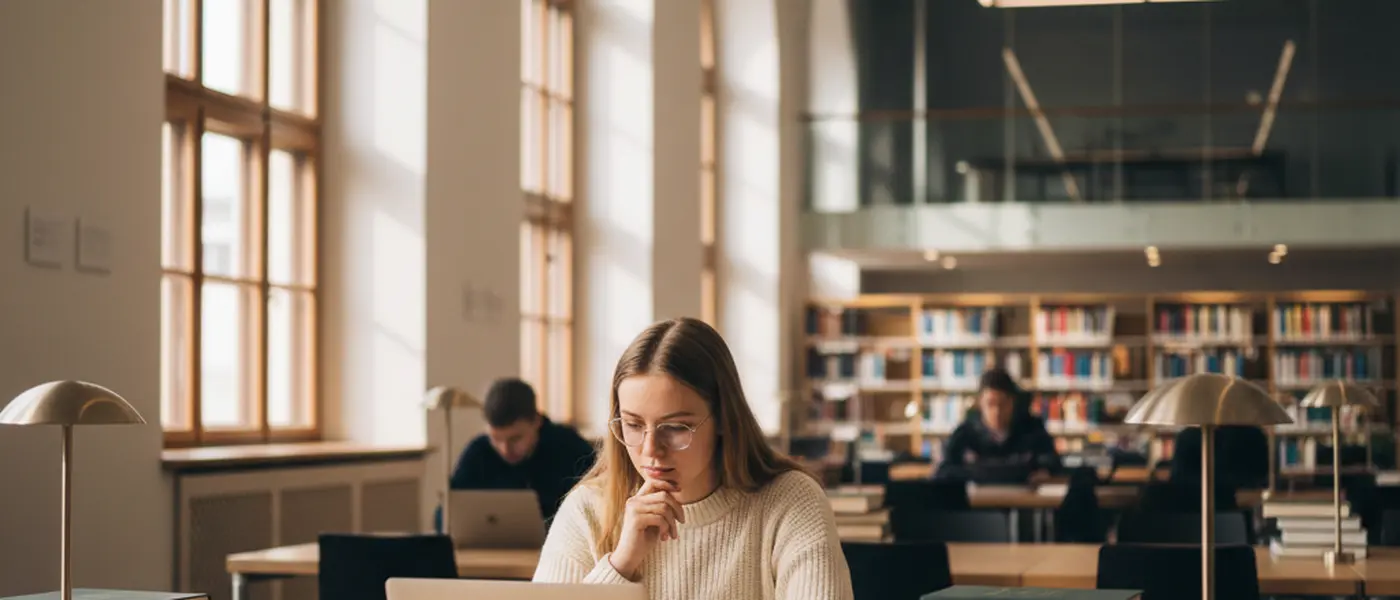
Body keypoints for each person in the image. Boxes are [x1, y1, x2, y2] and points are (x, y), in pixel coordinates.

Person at [532, 317, 854, 600]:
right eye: (632, 425)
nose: (650, 450)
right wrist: (621, 564)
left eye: (674, 428)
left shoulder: (791, 502)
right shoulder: (587, 510)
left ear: (724, 420)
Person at [437, 377, 597, 529]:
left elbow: (600, 507)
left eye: (515, 439)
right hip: (490, 552)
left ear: (536, 421)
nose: (505, 449)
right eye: (496, 439)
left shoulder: (570, 448)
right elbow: (444, 516)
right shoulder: (478, 451)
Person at [936, 367, 1061, 481]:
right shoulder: (964, 434)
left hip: (1022, 500)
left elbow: (1054, 462)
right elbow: (943, 471)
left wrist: (1045, 471)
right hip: (978, 501)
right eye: (990, 404)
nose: (997, 411)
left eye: (1003, 404)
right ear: (980, 403)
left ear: (1013, 402)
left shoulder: (1032, 429)